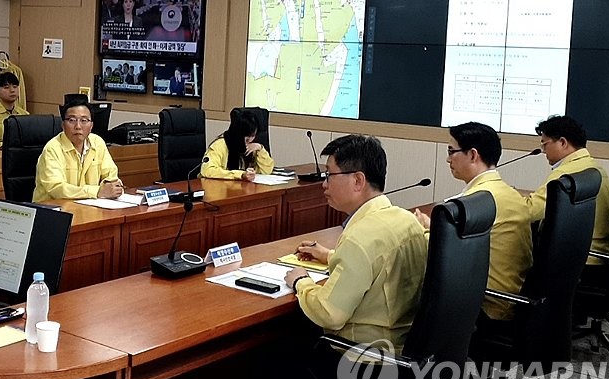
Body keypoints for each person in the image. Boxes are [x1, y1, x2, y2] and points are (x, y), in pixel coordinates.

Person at [282, 134, 427, 350]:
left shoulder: (359, 237)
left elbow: (329, 313)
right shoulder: (407, 220)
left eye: (329, 175)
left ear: (358, 180)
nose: (324, 184)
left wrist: (300, 281)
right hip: (405, 347)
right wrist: (330, 256)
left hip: (361, 355)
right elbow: (378, 264)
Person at [412, 122, 532, 320]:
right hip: (510, 296)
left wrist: (421, 228)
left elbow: (442, 254)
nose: (448, 159)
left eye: (452, 151)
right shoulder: (508, 193)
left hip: (485, 305)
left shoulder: (474, 204)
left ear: (473, 155)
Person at [526, 115, 609, 259]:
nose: (543, 151)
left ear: (562, 142)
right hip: (598, 252)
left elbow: (529, 212)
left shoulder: (565, 174)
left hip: (578, 258)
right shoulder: (594, 167)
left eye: (545, 144)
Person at [34, 95, 123, 202]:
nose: (78, 126)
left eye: (84, 120)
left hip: (87, 206)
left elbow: (111, 175)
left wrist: (111, 187)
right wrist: (97, 192)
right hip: (51, 208)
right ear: (63, 125)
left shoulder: (97, 143)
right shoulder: (52, 149)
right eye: (72, 120)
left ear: (91, 126)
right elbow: (56, 188)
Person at [201, 109, 274, 181]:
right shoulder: (219, 145)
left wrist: (260, 149)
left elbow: (266, 171)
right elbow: (207, 170)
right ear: (238, 134)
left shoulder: (253, 147)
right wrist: (240, 175)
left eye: (253, 136)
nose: (250, 140)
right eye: (247, 137)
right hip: (219, 186)